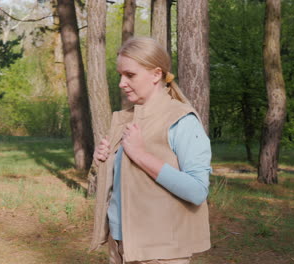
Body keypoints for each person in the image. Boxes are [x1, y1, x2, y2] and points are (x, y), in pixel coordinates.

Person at [89, 37, 211, 264]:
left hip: (161, 254)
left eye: (130, 75)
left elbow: (197, 191)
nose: (121, 83)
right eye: (120, 75)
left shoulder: (182, 120)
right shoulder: (124, 119)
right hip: (121, 247)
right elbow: (128, 185)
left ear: (156, 74)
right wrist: (104, 161)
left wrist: (140, 155)